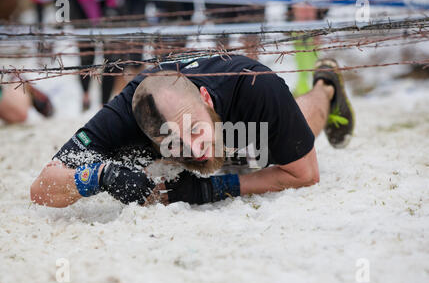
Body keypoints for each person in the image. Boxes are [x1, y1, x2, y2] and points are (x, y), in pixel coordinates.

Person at [30, 55, 354, 208]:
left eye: (196, 130)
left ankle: (326, 86)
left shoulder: (256, 85)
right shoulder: (128, 111)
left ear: (205, 98)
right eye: (175, 143)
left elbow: (305, 174)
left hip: (247, 116)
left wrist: (213, 188)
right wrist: (100, 175)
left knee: (291, 134)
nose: (196, 149)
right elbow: (42, 187)